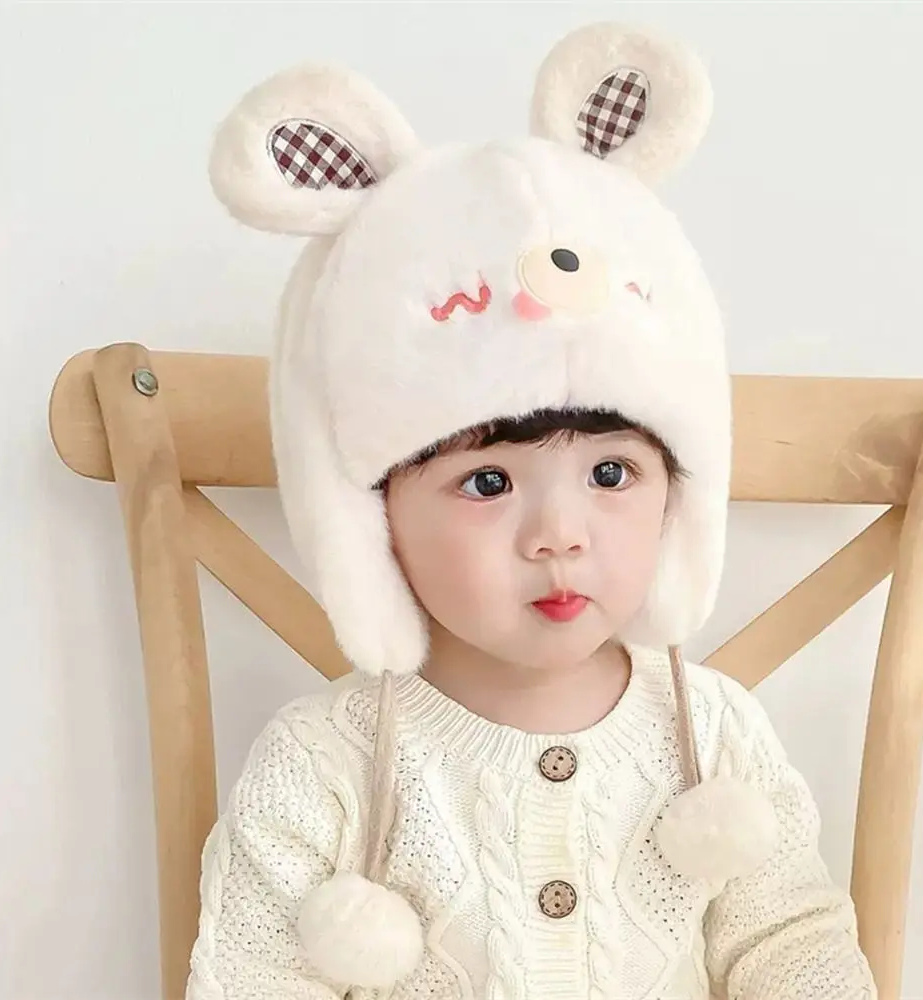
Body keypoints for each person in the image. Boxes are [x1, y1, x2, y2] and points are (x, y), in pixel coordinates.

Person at [187, 21, 877, 1000]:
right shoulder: (322, 764)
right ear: (372, 519)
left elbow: (792, 943)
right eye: (487, 482)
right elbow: (257, 978)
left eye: (611, 473)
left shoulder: (715, 735)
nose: (559, 534)